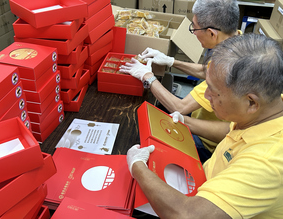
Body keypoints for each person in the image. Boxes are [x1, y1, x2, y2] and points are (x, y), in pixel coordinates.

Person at [127, 33, 283, 218]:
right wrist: (187, 122)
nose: (206, 96)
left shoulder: (266, 163)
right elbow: (230, 129)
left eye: (213, 91)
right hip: (201, 180)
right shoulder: (269, 107)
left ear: (251, 103)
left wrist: (138, 167)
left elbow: (188, 215)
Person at [119, 0, 241, 163]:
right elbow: (207, 70)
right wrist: (171, 61)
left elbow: (180, 107)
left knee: (136, 138)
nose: (194, 33)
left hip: (207, 143)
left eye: (195, 28)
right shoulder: (236, 40)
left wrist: (148, 77)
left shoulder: (229, 65)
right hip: (201, 116)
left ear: (212, 33)